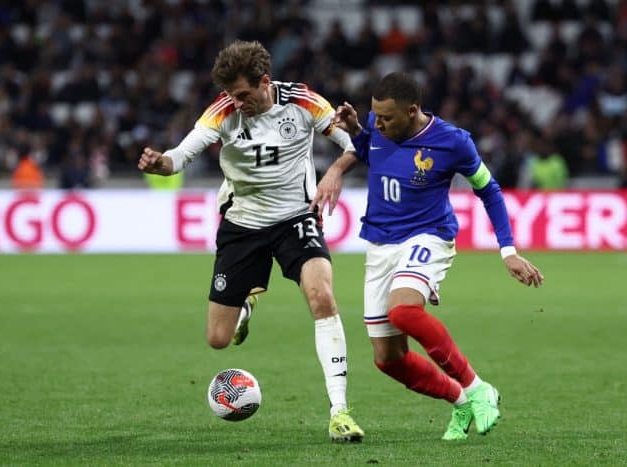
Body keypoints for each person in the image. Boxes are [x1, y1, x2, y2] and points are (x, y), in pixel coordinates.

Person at [137, 40, 364, 442]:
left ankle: (339, 411)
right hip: (242, 225)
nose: (236, 102)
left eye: (243, 94)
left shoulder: (304, 102)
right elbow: (180, 155)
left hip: (296, 217)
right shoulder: (222, 112)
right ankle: (245, 304)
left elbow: (354, 145)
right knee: (218, 339)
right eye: (230, 95)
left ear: (264, 82)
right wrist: (161, 164)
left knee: (322, 297)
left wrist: (335, 171)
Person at [311, 72, 544, 441]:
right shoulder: (377, 127)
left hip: (427, 236)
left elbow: (490, 191)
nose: (379, 123)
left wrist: (508, 251)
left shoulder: (453, 142)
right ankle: (461, 399)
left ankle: (478, 386)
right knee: (388, 359)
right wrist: (357, 132)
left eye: (386, 117)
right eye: (375, 116)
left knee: (403, 311)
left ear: (413, 110)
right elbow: (371, 147)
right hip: (380, 244)